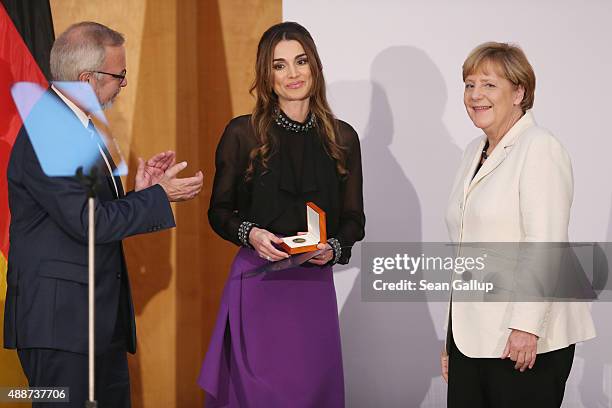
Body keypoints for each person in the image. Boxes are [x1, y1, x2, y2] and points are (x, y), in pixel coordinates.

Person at [3, 21, 203, 407]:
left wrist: (140, 193)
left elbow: (89, 213)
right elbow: (88, 223)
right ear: (86, 79)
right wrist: (158, 197)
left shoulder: (74, 127)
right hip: (61, 328)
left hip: (92, 322)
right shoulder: (52, 129)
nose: (122, 85)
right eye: (119, 75)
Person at [198, 21, 365, 407]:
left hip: (312, 289)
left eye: (301, 61)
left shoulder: (343, 139)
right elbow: (219, 211)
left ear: (315, 67)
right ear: (266, 75)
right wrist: (252, 234)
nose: (292, 74)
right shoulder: (243, 134)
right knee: (258, 396)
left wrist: (334, 248)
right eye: (279, 65)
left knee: (310, 393)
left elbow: (355, 219)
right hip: (257, 285)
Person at [442, 42, 596, 407]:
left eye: (489, 84)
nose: (475, 95)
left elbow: (545, 243)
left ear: (519, 92)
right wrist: (451, 339)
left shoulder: (539, 147)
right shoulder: (472, 153)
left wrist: (527, 327)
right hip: (473, 336)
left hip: (524, 339)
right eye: (469, 84)